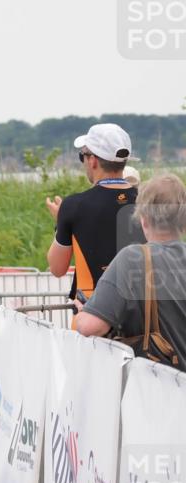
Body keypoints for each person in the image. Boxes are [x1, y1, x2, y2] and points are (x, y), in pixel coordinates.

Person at [75, 174, 186, 369]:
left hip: (159, 388)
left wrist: (83, 313)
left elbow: (91, 327)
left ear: (143, 219)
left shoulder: (132, 258)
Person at [45, 123, 145, 301]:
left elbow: (57, 268)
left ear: (93, 161)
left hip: (92, 312)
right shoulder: (147, 202)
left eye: (81, 156)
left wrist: (60, 221)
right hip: (141, 312)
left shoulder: (73, 206)